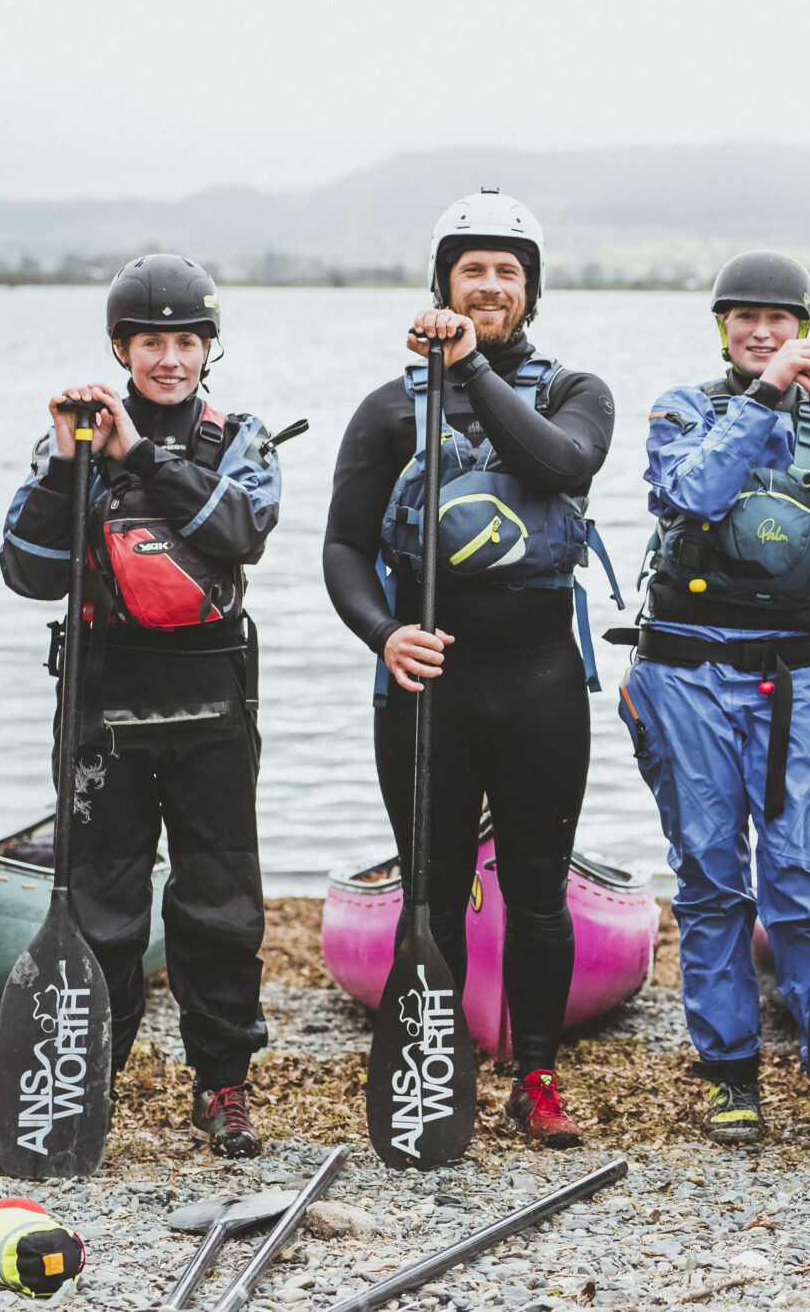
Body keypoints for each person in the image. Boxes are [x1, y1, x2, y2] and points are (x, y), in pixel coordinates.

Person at [321, 190, 618, 1149]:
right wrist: (381, 633)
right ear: (442, 281)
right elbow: (342, 546)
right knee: (431, 888)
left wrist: (470, 367)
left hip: (538, 682)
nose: (489, 284)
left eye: (508, 272)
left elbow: (560, 466)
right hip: (427, 684)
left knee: (537, 889)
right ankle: (431, 1057)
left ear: (530, 292)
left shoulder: (578, 393)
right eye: (472, 269)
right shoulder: (385, 409)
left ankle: (536, 1072)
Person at [620, 252, 810, 1154]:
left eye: (780, 320)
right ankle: (732, 1076)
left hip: (794, 678)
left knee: (805, 887)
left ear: (805, 325)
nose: (762, 332)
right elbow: (692, 491)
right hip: (686, 671)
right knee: (710, 875)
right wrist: (766, 395)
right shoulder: (682, 408)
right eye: (744, 318)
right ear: (722, 327)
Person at [0, 255, 283, 1156]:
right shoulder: (68, 441)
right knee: (102, 903)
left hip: (212, 700)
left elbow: (244, 534)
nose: (169, 358)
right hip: (103, 701)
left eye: (186, 341)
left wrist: (142, 455)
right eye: (151, 341)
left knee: (220, 904)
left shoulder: (241, 435)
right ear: (122, 346)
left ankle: (223, 1084)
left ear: (209, 348)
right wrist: (69, 468)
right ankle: (90, 1072)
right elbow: (25, 570)